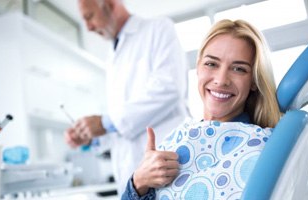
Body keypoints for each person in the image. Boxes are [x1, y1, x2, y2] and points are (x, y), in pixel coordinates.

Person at [121, 19, 282, 199]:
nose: (221, 80)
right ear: (198, 67)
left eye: (238, 69)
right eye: (211, 64)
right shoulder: (177, 140)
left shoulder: (263, 146)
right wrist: (138, 182)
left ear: (253, 81)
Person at [64, 0, 189, 195]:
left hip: (165, 168)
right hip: (132, 179)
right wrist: (91, 137)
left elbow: (169, 87)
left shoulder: (157, 28)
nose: (88, 28)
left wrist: (105, 122)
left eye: (89, 17)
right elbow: (123, 124)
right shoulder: (112, 56)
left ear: (111, 5)